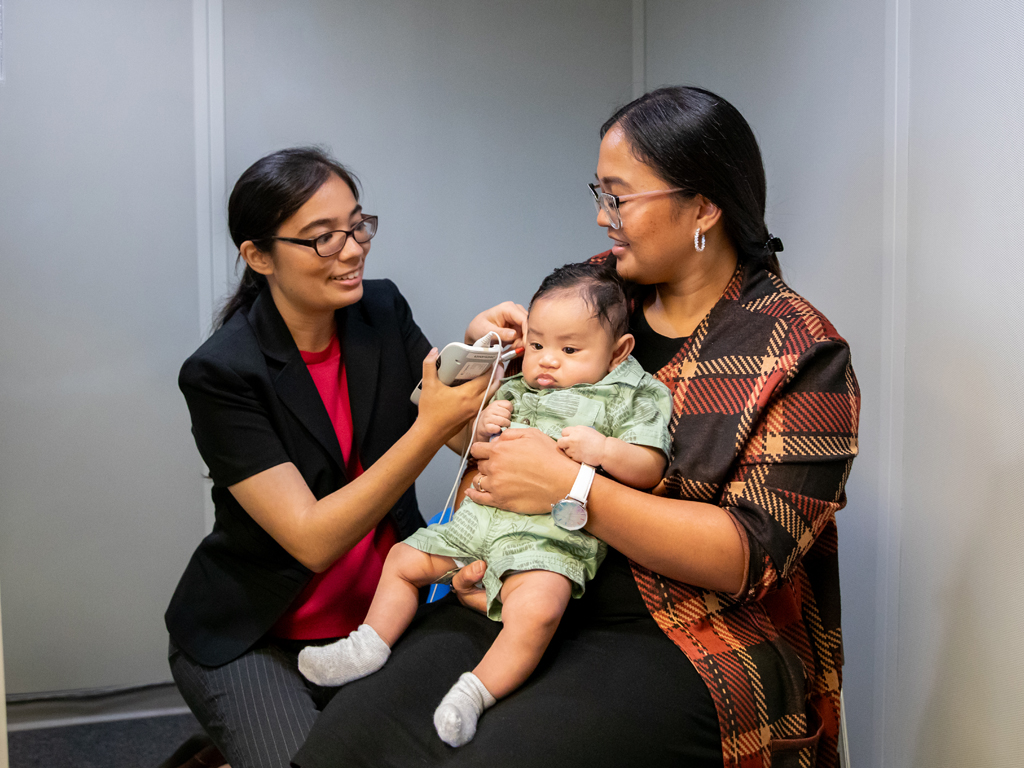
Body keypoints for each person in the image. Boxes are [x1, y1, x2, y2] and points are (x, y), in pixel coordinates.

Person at [292, 87, 860, 768]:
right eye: (600, 192)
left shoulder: (799, 350)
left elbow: (748, 555)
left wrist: (574, 488)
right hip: (521, 580)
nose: (601, 218)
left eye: (619, 197)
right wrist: (482, 371)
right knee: (349, 738)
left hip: (685, 630)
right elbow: (480, 441)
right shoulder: (597, 293)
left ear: (704, 205)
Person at [164, 147, 519, 768]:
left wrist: (482, 356)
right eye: (322, 239)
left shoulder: (379, 311)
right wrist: (431, 425)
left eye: (357, 226)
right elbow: (311, 539)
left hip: (382, 617)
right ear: (258, 256)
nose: (352, 249)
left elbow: (464, 438)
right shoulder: (222, 373)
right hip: (257, 634)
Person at [297, 262, 672, 748]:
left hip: (548, 540)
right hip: (478, 523)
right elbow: (476, 452)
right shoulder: (519, 387)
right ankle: (367, 645)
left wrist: (603, 452)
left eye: (570, 349)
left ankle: (475, 692)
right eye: (537, 345)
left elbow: (651, 467)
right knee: (403, 560)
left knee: (537, 611)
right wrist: (484, 425)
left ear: (618, 352)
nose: (547, 361)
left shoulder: (634, 393)